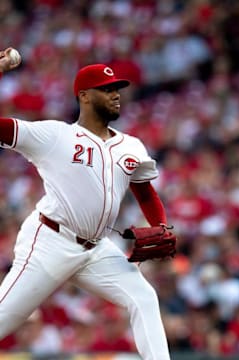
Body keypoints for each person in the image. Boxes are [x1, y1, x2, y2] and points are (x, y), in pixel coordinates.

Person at [0, 47, 173, 360]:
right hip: (50, 242)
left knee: (144, 297)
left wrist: (160, 224)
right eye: (106, 89)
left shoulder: (130, 145)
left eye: (117, 89)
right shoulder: (55, 135)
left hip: (96, 249)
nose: (116, 94)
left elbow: (145, 191)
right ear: (83, 96)